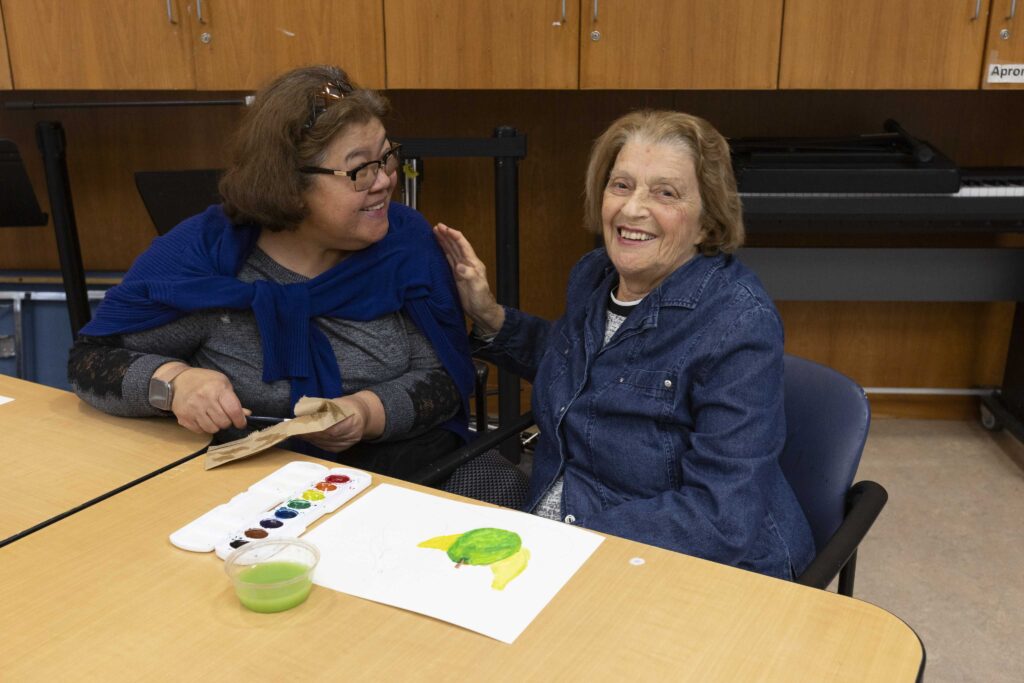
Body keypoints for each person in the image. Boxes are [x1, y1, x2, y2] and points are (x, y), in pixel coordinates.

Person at [435, 110, 815, 579]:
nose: (632, 209)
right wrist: (490, 315)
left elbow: (721, 516)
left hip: (695, 562)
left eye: (665, 193)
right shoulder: (594, 274)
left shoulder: (738, 324)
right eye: (621, 185)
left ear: (707, 220)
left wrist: (564, 543)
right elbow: (579, 367)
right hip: (571, 520)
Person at [68, 65, 476, 480]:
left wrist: (365, 412)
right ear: (289, 183)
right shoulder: (206, 259)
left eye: (386, 157)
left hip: (401, 470)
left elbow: (445, 379)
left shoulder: (405, 246)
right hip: (250, 480)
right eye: (359, 170)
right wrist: (174, 384)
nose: (385, 181)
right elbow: (91, 362)